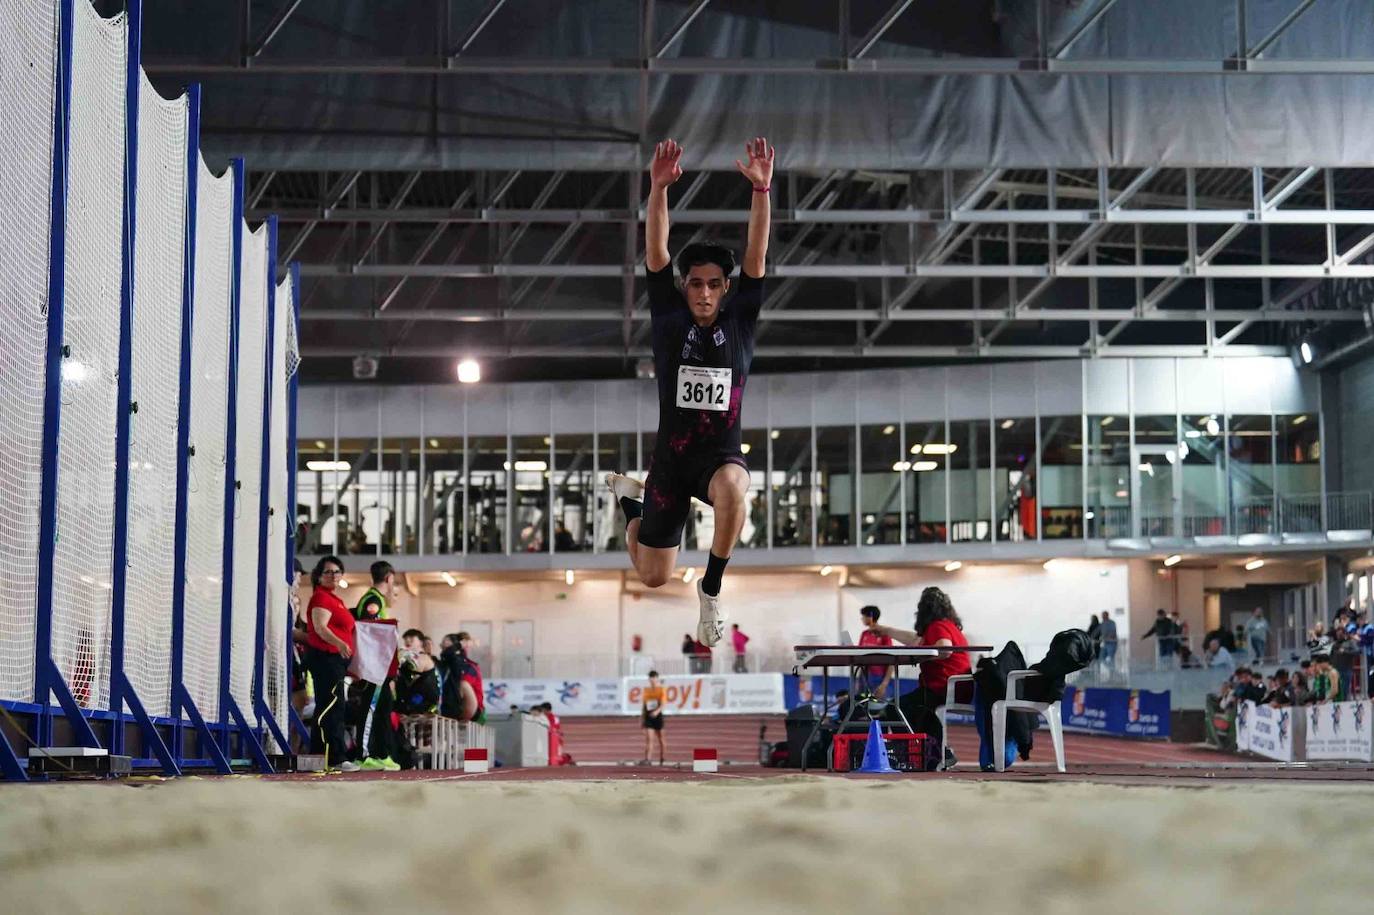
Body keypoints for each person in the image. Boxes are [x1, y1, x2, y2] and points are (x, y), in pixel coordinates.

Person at [604, 136, 774, 648]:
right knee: (652, 574)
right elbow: (656, 251)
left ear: (726, 288)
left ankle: (712, 588)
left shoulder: (741, 320)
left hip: (720, 454)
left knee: (733, 491)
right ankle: (631, 504)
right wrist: (657, 189)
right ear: (685, 287)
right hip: (671, 463)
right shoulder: (669, 319)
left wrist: (761, 190)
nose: (703, 292)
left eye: (713, 284)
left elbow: (757, 252)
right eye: (695, 283)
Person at [873, 587, 971, 769]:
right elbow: (915, 640)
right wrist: (886, 630)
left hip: (943, 687)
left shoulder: (937, 626)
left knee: (896, 708)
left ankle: (916, 754)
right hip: (955, 687)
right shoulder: (946, 626)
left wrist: (919, 657)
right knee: (915, 708)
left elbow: (945, 648)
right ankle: (936, 752)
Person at [303, 555, 358, 772]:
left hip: (336, 660)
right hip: (326, 658)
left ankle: (320, 756)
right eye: (328, 572)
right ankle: (335, 757)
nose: (333, 575)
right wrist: (340, 644)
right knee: (332, 708)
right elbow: (319, 626)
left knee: (330, 706)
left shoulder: (336, 600)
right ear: (319, 576)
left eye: (337, 572)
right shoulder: (321, 598)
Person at [858, 605, 894, 698]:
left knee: (877, 705)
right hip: (864, 676)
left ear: (870, 617)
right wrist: (858, 679)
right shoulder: (864, 634)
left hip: (879, 677)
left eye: (864, 616)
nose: (862, 619)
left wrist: (884, 684)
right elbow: (859, 655)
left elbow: (892, 661)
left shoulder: (884, 635)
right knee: (861, 704)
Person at [641, 670, 668, 765]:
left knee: (661, 738)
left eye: (654, 677)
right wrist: (642, 720)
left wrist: (657, 711)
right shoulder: (646, 690)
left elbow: (664, 703)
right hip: (649, 716)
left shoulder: (661, 689)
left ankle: (662, 758)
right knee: (649, 739)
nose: (652, 679)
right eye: (651, 678)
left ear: (657, 678)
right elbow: (644, 705)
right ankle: (647, 759)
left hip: (657, 716)